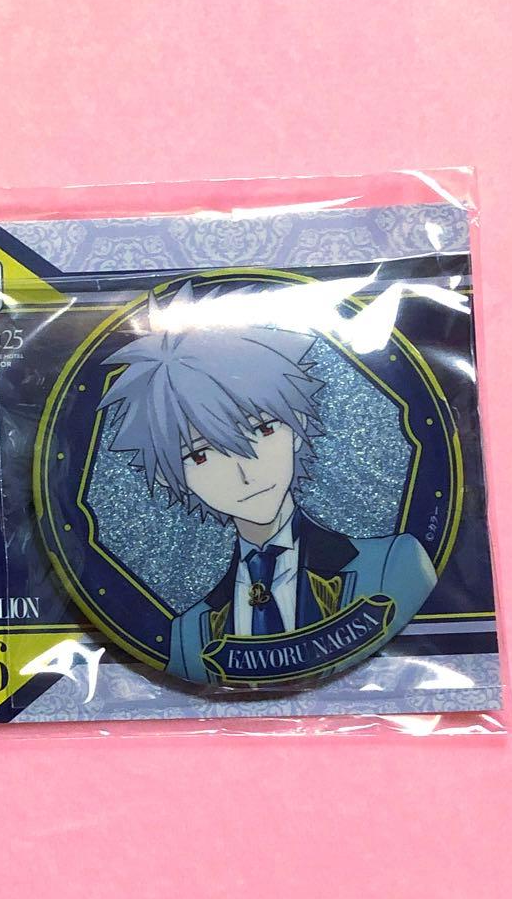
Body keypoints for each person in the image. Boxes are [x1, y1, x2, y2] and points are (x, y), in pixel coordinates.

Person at [99, 284, 436, 684]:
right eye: (200, 455)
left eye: (262, 429)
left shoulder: (392, 566)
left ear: (297, 424)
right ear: (173, 476)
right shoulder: (190, 633)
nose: (244, 472)